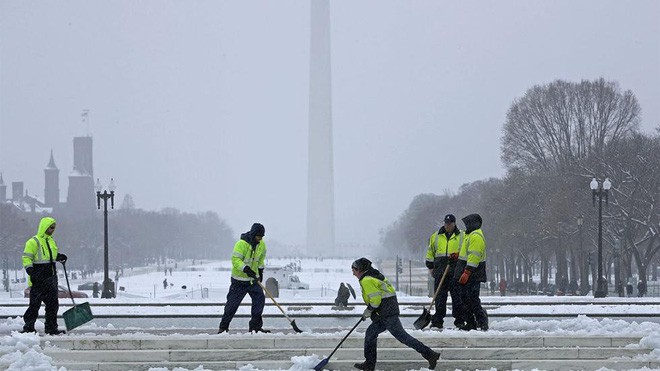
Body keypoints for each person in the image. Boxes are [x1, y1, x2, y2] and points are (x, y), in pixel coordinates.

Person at [351, 258, 439, 371]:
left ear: (360, 270)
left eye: (354, 270)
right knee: (370, 335)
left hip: (386, 314)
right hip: (385, 312)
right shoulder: (374, 276)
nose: (353, 273)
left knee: (403, 337)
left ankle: (430, 354)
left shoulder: (367, 280)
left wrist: (368, 312)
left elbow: (375, 300)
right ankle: (369, 364)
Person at [218, 223, 269, 333]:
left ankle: (255, 327)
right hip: (239, 281)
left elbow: (260, 260)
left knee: (259, 301)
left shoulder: (262, 245)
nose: (260, 238)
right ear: (253, 234)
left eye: (262, 236)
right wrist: (245, 269)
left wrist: (260, 272)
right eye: (259, 236)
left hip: (252, 281)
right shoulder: (241, 244)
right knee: (231, 306)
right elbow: (235, 260)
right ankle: (223, 327)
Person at [21, 217, 67, 335]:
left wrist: (59, 257)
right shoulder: (33, 242)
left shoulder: (51, 241)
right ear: (44, 227)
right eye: (50, 227)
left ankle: (51, 328)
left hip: (51, 278)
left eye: (53, 228)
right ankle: (28, 327)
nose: (52, 230)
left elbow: (52, 256)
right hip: (38, 278)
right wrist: (30, 270)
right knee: (34, 305)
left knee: (53, 306)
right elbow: (27, 257)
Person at [424, 213, 464, 329]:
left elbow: (464, 251)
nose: (447, 225)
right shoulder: (435, 236)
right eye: (446, 223)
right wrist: (430, 266)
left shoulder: (462, 236)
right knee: (440, 299)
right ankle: (437, 321)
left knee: (457, 299)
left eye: (449, 223)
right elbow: (430, 252)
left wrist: (458, 257)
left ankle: (459, 321)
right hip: (440, 272)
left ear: (454, 223)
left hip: (455, 272)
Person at [454, 213, 488, 331]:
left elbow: (474, 256)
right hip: (469, 273)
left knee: (472, 299)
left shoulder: (475, 236)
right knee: (465, 299)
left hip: (473, 274)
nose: (466, 226)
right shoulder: (470, 235)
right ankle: (471, 322)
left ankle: (482, 322)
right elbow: (468, 253)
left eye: (467, 224)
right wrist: (458, 256)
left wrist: (467, 272)